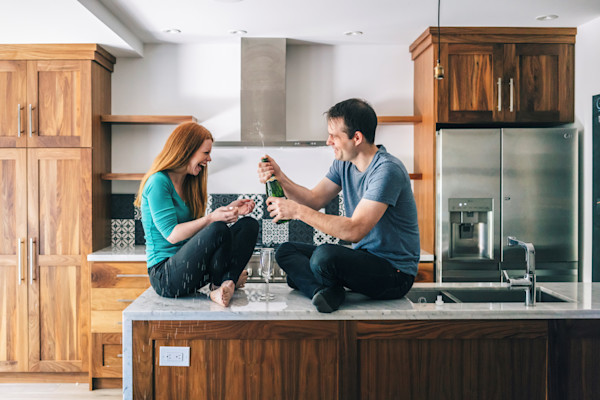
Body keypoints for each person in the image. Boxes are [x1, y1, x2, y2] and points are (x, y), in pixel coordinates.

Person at [257, 98, 420, 312]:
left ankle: (318, 285)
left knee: (324, 257)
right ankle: (323, 292)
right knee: (286, 251)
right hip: (365, 260)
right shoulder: (344, 164)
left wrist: (296, 210)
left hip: (395, 274)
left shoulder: (387, 170)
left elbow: (355, 230)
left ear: (357, 138)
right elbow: (315, 199)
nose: (328, 141)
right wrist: (281, 177)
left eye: (334, 136)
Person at [135, 122, 258, 307]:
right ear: (187, 150)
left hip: (192, 270)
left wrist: (230, 210)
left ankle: (225, 283)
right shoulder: (158, 182)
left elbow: (199, 235)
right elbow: (172, 235)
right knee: (217, 227)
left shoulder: (190, 183)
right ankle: (225, 281)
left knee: (249, 224)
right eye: (206, 153)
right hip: (166, 277)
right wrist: (212, 218)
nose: (209, 159)